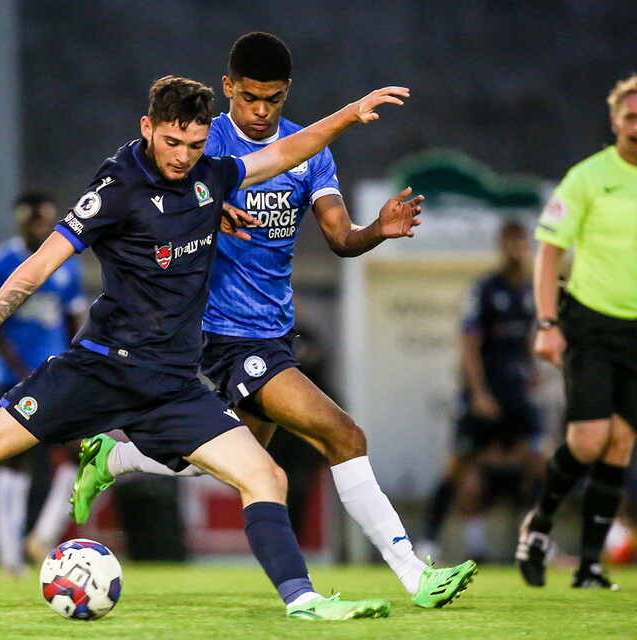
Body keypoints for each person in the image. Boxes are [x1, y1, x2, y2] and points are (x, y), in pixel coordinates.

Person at [0, 75, 408, 621]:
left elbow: (286, 152)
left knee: (266, 477)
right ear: (148, 127)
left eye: (195, 143)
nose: (182, 155)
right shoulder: (117, 187)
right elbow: (39, 265)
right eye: (173, 141)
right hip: (100, 370)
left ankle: (302, 601)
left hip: (174, 386)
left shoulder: (212, 176)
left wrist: (350, 116)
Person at [69, 32, 476, 608]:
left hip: (274, 332)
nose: (261, 111)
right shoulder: (201, 146)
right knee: (344, 434)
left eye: (275, 99)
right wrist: (202, 211)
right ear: (228, 88)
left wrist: (374, 232)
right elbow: (148, 200)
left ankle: (112, 457)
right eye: (250, 97)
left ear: (287, 95)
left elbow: (339, 238)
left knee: (234, 461)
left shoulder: (306, 151)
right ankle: (416, 575)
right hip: (219, 336)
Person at [517, 74, 637, 590]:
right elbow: (548, 251)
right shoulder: (589, 177)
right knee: (589, 440)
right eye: (631, 116)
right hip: (589, 320)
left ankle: (589, 565)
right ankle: (538, 524)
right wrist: (547, 322)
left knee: (621, 444)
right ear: (615, 122)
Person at [420, 221, 545, 561]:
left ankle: (535, 539)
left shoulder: (532, 291)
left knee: (540, 457)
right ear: (501, 247)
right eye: (510, 244)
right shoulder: (486, 289)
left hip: (515, 394)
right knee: (458, 466)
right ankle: (429, 541)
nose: (516, 251)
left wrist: (534, 369)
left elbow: (527, 340)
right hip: (483, 395)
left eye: (522, 244)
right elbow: (470, 345)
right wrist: (478, 393)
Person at [0, 192, 86, 573]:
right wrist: (21, 371)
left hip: (53, 377)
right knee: (13, 462)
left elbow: (75, 319)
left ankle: (42, 537)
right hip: (10, 379)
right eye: (37, 221)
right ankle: (9, 560)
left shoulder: (66, 265)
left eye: (48, 221)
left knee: (80, 454)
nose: (44, 228)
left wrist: (78, 364)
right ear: (21, 222)